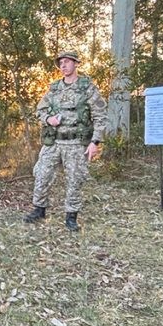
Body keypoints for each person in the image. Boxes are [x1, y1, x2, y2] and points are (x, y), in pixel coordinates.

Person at [24, 50, 108, 231]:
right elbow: (40, 110)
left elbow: (100, 115)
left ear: (76, 63)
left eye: (67, 62)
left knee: (75, 180)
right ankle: (39, 210)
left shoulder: (87, 87)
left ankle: (71, 216)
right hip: (54, 141)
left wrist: (95, 142)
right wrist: (49, 119)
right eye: (61, 63)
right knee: (41, 174)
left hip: (76, 143)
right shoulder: (54, 89)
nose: (63, 65)